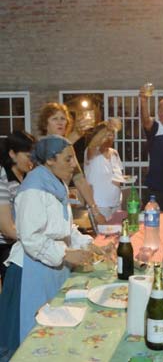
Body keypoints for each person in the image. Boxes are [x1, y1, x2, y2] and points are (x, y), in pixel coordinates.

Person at [0, 135, 93, 359]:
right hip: (30, 274)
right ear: (50, 160)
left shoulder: (56, 184)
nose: (74, 165)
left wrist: (90, 246)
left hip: (50, 270)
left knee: (52, 334)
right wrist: (66, 254)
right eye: (68, 159)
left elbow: (65, 228)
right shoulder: (33, 189)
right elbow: (31, 239)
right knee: (28, 339)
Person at [38, 102, 106, 224]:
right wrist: (77, 134)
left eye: (63, 119)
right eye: (54, 118)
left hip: (62, 207)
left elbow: (79, 179)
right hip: (43, 208)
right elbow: (53, 152)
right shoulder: (40, 144)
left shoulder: (68, 146)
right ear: (45, 124)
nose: (60, 122)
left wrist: (95, 210)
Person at [0, 131, 35, 286]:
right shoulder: (3, 179)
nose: (32, 161)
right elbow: (7, 229)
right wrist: (37, 239)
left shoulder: (27, 177)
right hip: (6, 247)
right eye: (28, 156)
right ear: (12, 154)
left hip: (22, 241)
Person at [84, 118, 124, 220]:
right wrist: (106, 128)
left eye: (112, 134)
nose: (110, 138)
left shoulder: (114, 152)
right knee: (103, 235)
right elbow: (93, 144)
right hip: (99, 205)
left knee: (117, 234)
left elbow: (118, 175)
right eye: (106, 134)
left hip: (116, 203)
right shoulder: (91, 152)